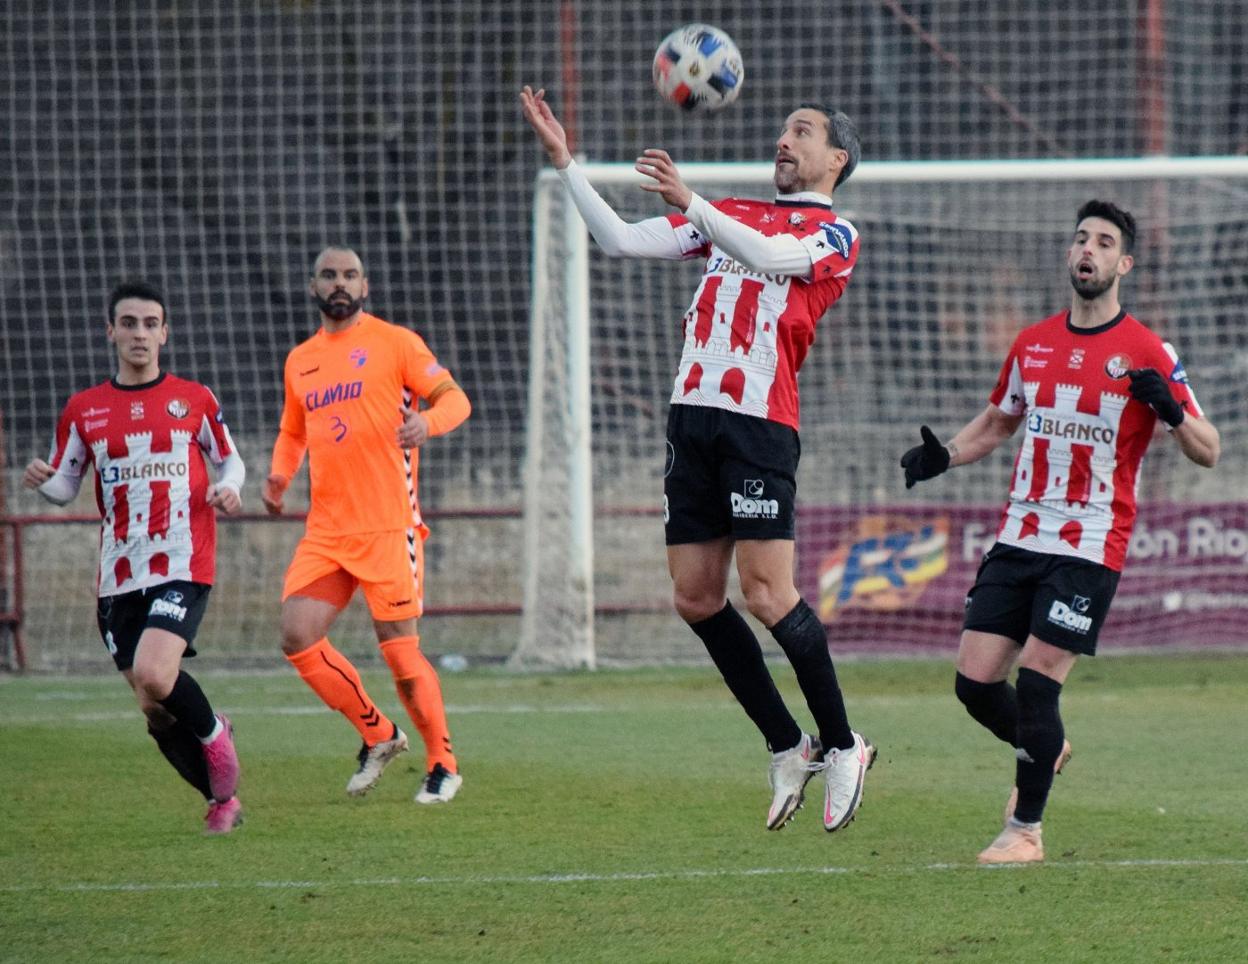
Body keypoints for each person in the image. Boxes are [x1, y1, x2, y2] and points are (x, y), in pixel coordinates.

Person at [520, 85, 876, 833]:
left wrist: (693, 200)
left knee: (769, 595)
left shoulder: (836, 235)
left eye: (802, 131)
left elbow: (775, 255)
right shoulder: (731, 216)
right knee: (695, 597)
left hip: (758, 425)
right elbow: (619, 240)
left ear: (835, 158)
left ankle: (845, 745)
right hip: (693, 420)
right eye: (782, 129)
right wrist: (567, 164)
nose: (785, 139)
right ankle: (789, 744)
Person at [900, 200, 1220, 864]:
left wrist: (1172, 412)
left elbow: (1209, 449)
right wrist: (943, 456)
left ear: (1123, 263)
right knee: (976, 684)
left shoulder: (1148, 351)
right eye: (1081, 239)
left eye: (1104, 242)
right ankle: (1047, 746)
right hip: (1020, 535)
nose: (1089, 249)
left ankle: (1025, 831)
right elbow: (996, 423)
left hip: (1090, 543)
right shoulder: (1032, 343)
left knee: (1041, 683)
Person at [24, 281, 245, 835]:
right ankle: (221, 801)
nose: (139, 333)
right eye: (129, 323)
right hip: (119, 574)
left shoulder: (194, 399)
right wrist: (43, 483)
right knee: (153, 706)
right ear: (111, 332)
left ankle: (216, 733)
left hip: (183, 561)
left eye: (150, 323)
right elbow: (66, 485)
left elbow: (231, 463)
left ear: (164, 333)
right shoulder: (84, 409)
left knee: (154, 672)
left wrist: (230, 488)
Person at [263, 246, 471, 804]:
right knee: (297, 634)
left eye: (349, 275)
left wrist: (426, 423)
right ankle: (378, 734)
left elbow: (456, 400)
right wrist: (280, 477)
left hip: (387, 526)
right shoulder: (300, 360)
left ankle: (443, 763)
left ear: (365, 286)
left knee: (401, 656)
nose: (340, 283)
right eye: (329, 275)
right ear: (313, 287)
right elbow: (292, 431)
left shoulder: (396, 343)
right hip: (327, 531)